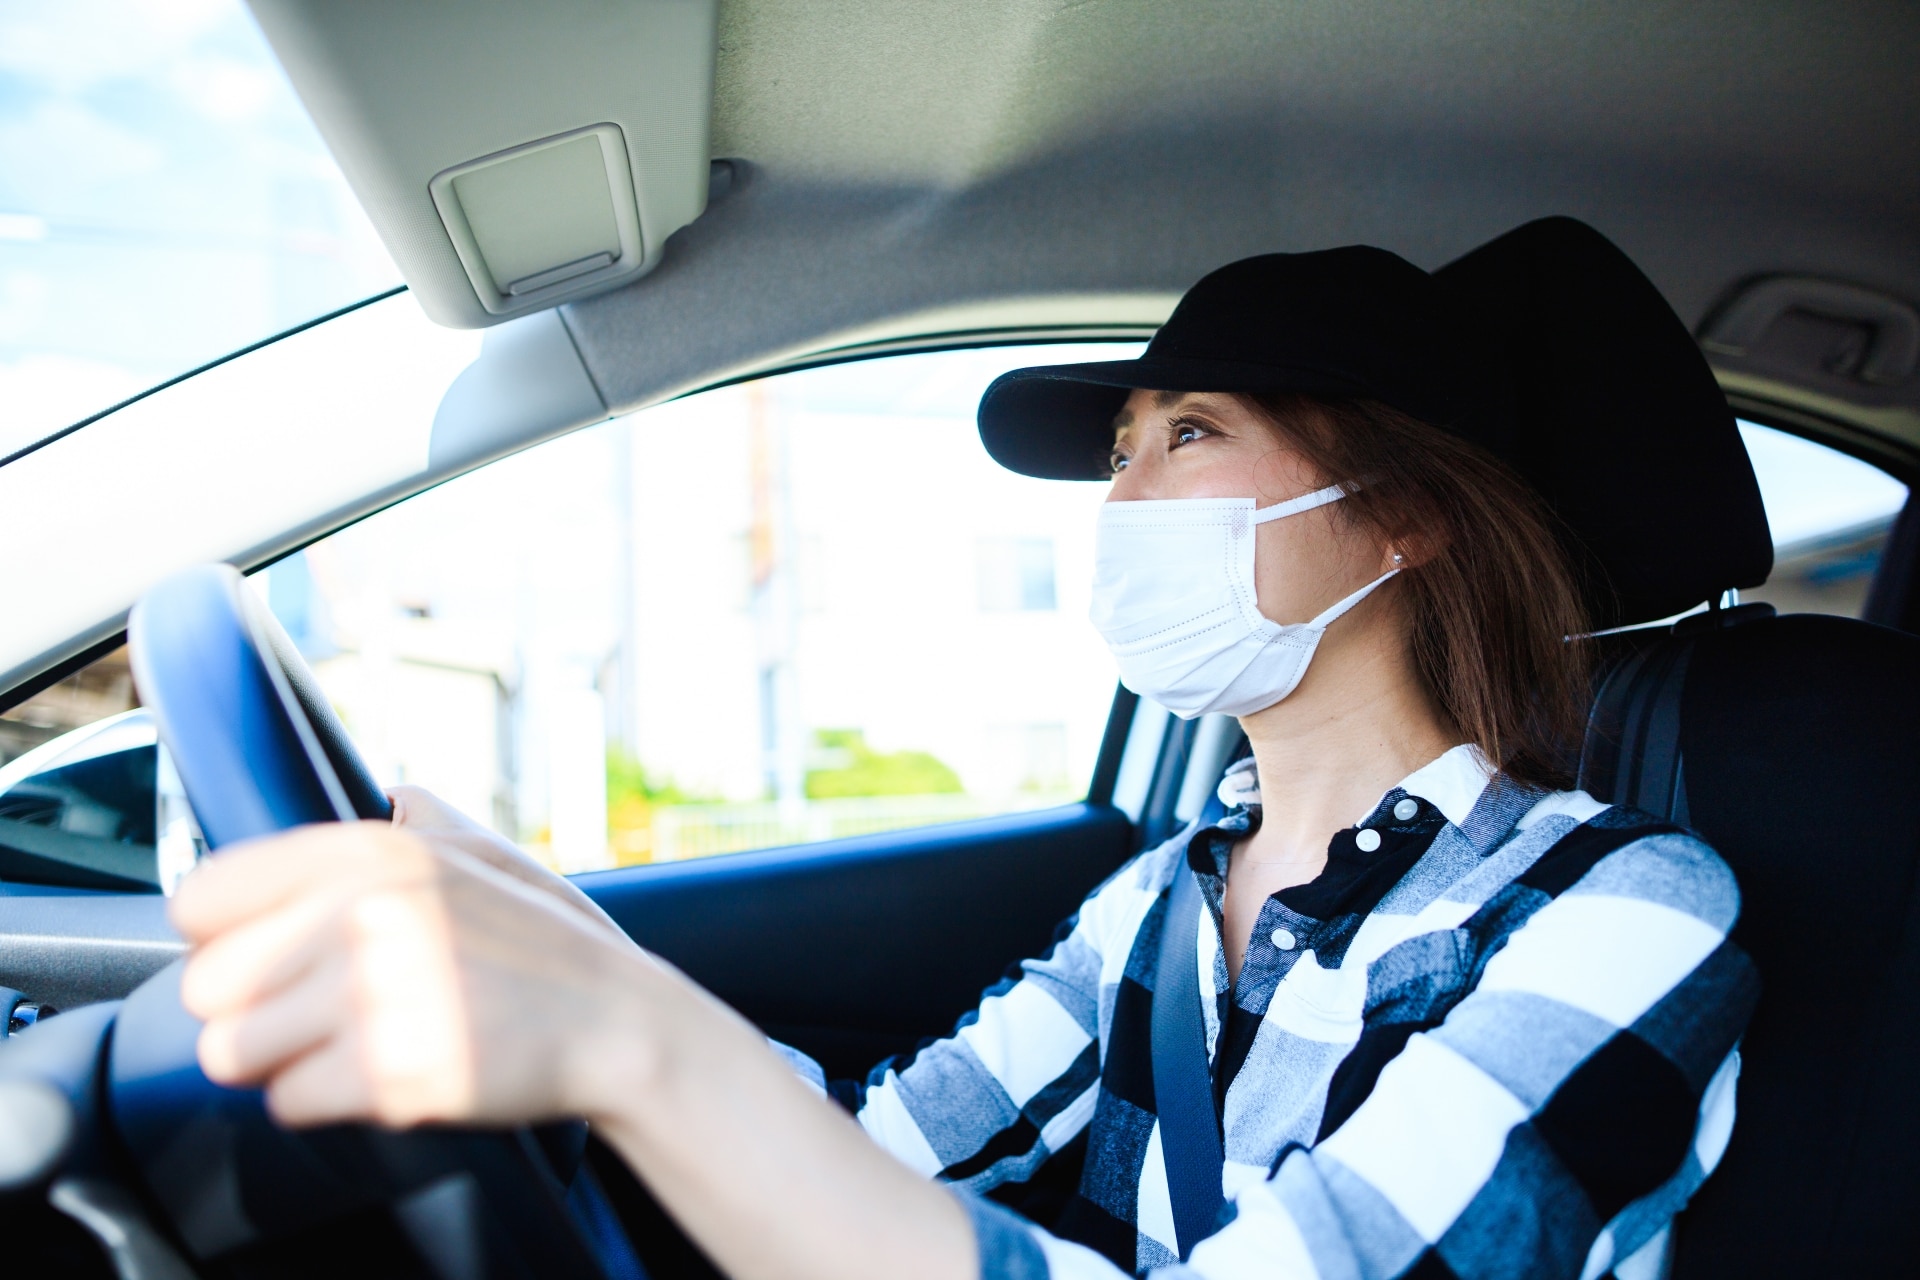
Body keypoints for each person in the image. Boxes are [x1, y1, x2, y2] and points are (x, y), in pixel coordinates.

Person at [168, 220, 1757, 1280]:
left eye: (1188, 433)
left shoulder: (1621, 914)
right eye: (1120, 452)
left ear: (1400, 515)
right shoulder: (1160, 901)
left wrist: (634, 1043)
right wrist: (565, 938)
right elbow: (865, 1164)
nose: (1122, 503)